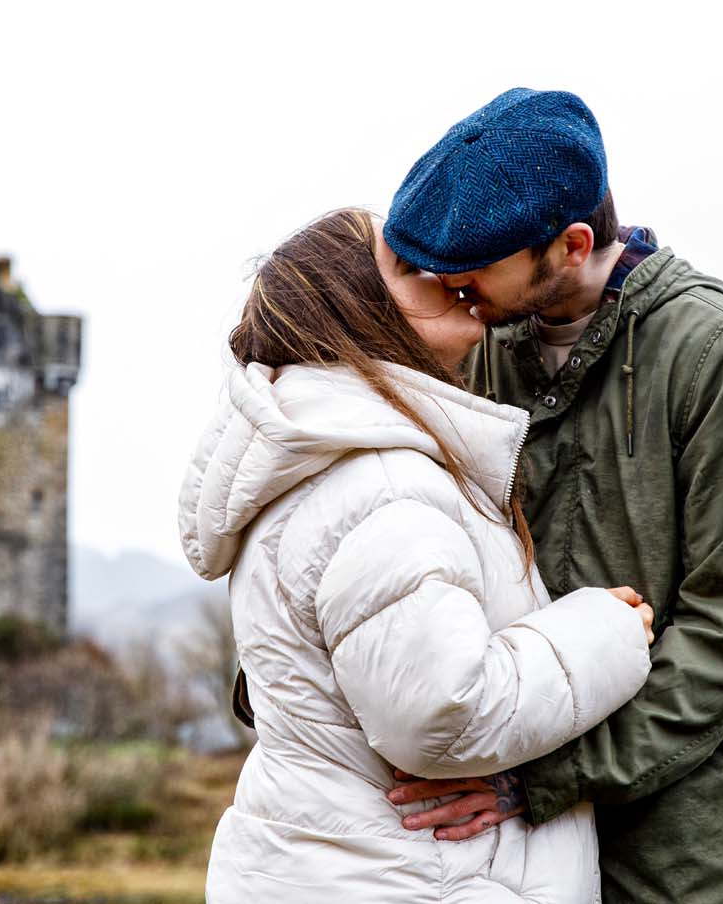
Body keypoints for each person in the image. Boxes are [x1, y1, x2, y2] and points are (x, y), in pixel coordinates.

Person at [381, 88, 723, 903]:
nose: (452, 279)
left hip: (690, 862)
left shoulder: (719, 357)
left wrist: (546, 776)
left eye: (479, 262)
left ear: (572, 243)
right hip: (515, 860)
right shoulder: (475, 349)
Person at [179, 207, 656, 902]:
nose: (447, 270)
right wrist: (605, 634)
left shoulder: (339, 458)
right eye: (407, 264)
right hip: (418, 878)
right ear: (360, 309)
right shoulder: (382, 485)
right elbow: (442, 711)